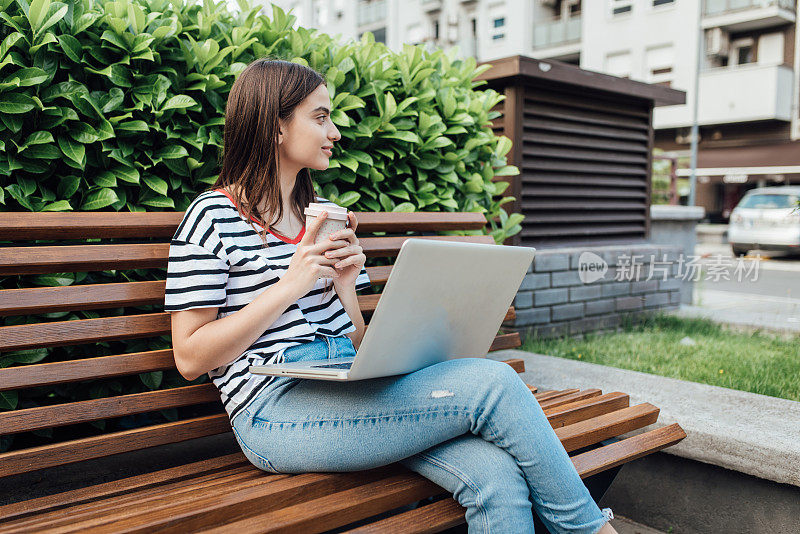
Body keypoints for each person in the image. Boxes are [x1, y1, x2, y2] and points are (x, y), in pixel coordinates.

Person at [165, 58, 617, 534]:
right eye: (320, 117)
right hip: (274, 411)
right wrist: (288, 287)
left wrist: (344, 289)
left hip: (350, 388)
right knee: (495, 384)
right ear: (276, 126)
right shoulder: (212, 217)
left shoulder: (320, 219)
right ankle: (590, 530)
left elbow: (357, 345)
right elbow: (190, 357)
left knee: (497, 477)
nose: (335, 131)